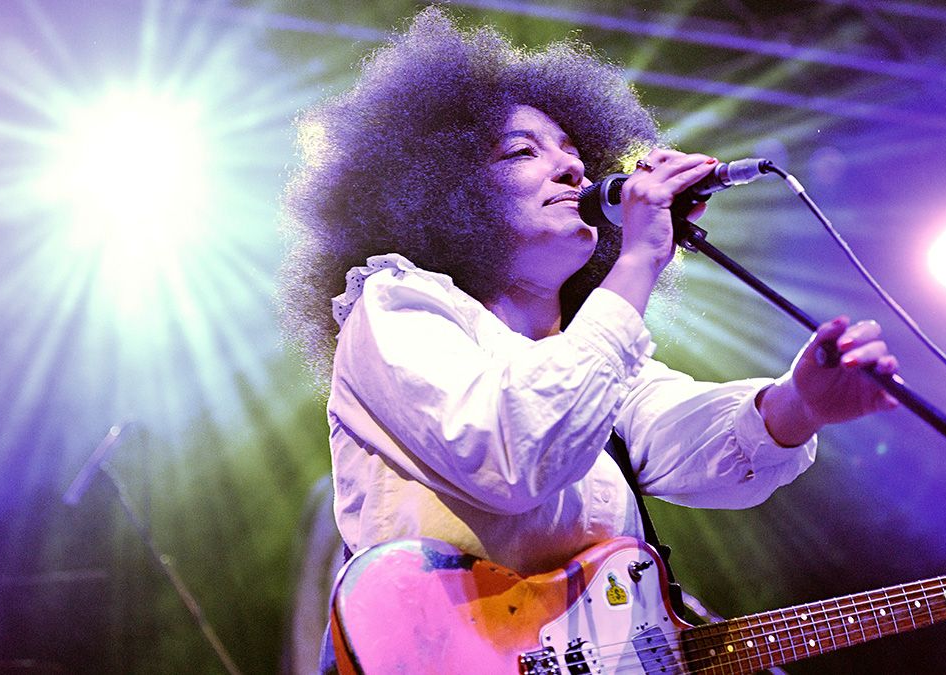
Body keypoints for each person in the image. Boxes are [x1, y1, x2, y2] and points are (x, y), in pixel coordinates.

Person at [279, 4, 898, 654]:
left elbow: (680, 433)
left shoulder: (594, 351)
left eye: (576, 152)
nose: (574, 170)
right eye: (523, 151)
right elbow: (517, 448)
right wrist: (636, 261)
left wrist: (799, 403)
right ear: (443, 190)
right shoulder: (394, 305)